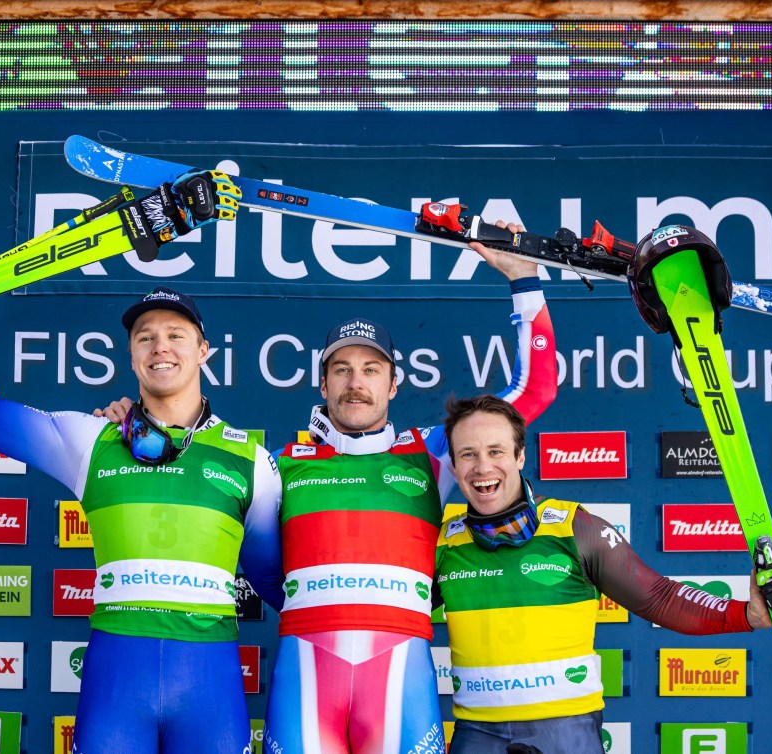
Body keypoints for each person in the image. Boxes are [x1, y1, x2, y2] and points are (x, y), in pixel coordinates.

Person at [99, 223, 557, 753]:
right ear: (322, 384)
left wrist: (525, 282)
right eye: (340, 369)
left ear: (394, 383)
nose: (355, 381)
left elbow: (535, 388)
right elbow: (260, 563)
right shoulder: (278, 464)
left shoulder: (431, 452)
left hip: (401, 676)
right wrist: (132, 421)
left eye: (370, 369)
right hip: (304, 676)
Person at [0, 171, 282, 753]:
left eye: (176, 335)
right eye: (146, 337)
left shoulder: (251, 460)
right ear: (129, 354)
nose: (161, 347)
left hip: (211, 693)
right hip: (113, 688)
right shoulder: (90, 439)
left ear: (204, 351)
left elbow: (275, 580)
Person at [435, 394, 772, 754]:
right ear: (453, 466)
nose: (483, 467)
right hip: (476, 733)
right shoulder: (440, 543)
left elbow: (659, 597)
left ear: (520, 456)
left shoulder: (574, 528)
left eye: (495, 451)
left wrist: (747, 614)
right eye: (468, 454)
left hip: (567, 731)